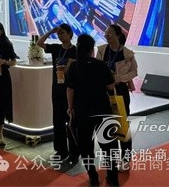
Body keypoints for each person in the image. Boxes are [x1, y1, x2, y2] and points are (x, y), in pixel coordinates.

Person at [66, 34, 119, 186]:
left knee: (86, 146)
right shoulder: (101, 65)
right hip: (102, 109)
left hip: (82, 110)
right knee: (107, 145)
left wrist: (70, 107)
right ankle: (112, 177)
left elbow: (70, 89)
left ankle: (93, 177)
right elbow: (110, 86)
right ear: (91, 49)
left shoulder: (74, 66)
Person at [97, 24, 138, 171]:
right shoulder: (101, 50)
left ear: (118, 35)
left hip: (120, 91)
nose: (106, 35)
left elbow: (134, 71)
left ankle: (125, 158)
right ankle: (112, 158)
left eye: (109, 33)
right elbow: (97, 68)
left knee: (123, 125)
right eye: (105, 33)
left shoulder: (127, 53)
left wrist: (119, 78)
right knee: (108, 124)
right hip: (104, 91)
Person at [36, 24, 78, 163]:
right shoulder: (56, 48)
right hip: (57, 88)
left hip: (70, 90)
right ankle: (61, 150)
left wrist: (69, 66)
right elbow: (39, 43)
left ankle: (74, 152)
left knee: (71, 121)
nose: (60, 36)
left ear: (70, 34)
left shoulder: (75, 51)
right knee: (58, 120)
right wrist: (51, 31)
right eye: (58, 34)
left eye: (62, 33)